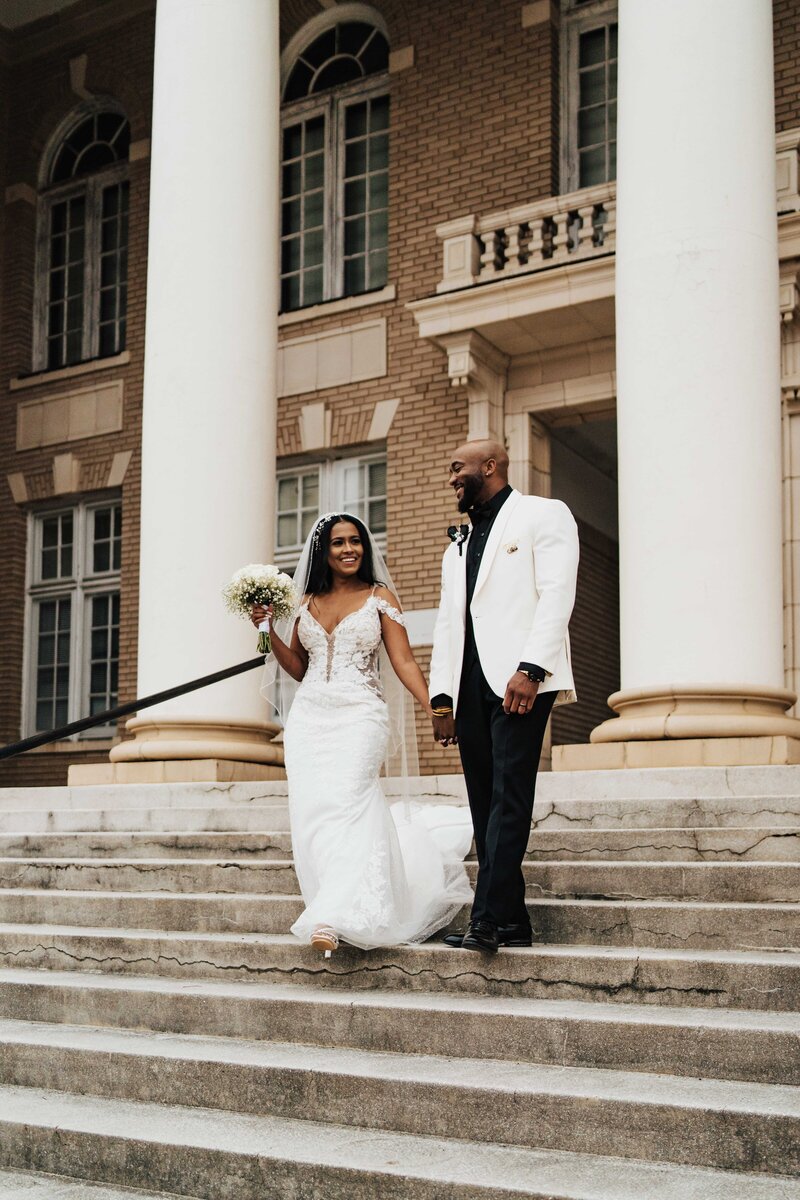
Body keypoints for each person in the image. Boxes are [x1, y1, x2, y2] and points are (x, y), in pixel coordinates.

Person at [252, 512, 472, 956]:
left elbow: (404, 661)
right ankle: (328, 897)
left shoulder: (379, 596)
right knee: (316, 812)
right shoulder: (306, 602)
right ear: (324, 552)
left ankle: (331, 916)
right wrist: (265, 629)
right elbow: (297, 667)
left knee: (351, 802)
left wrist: (436, 706)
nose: (349, 549)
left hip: (360, 715)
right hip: (310, 717)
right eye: (338, 543)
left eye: (355, 541)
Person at [430, 440, 579, 953]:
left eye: (458, 468)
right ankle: (512, 920)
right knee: (482, 801)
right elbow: (451, 623)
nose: (452, 478)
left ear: (489, 467)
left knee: (508, 799)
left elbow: (558, 593)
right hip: (470, 686)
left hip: (520, 681)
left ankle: (488, 918)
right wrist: (442, 700)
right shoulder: (459, 544)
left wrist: (532, 668)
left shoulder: (543, 514)